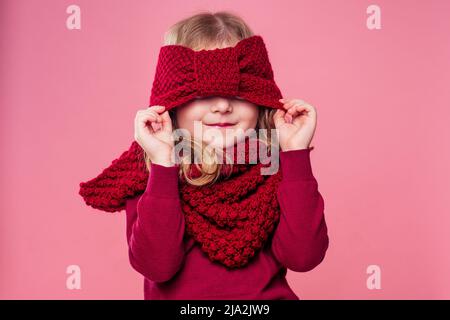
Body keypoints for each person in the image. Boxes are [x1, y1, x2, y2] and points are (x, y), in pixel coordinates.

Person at [79, 10, 329, 300]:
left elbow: (304, 257)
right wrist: (163, 165)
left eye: (238, 93)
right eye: (203, 95)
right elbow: (157, 266)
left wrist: (296, 155)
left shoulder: (274, 164)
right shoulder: (150, 170)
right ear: (172, 105)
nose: (222, 106)